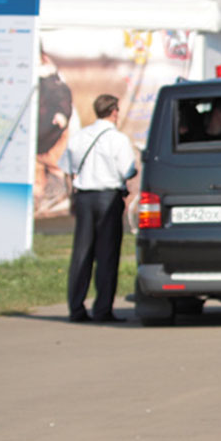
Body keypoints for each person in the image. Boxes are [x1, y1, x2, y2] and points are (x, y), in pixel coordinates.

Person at [59, 94, 137, 323]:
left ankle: (76, 308)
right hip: (108, 198)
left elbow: (67, 169)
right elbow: (128, 171)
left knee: (81, 254)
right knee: (107, 254)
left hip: (83, 197)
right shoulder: (118, 140)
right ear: (114, 111)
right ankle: (103, 308)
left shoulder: (80, 136)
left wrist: (72, 197)